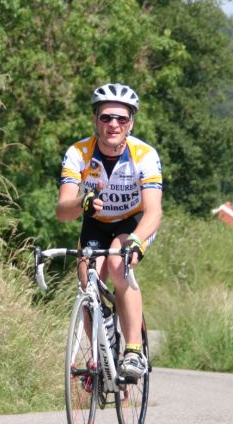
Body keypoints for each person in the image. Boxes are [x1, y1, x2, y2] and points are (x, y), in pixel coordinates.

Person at [55, 82, 162, 379]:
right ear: (95, 120)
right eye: (106, 117)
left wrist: (138, 241)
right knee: (86, 282)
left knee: (118, 263)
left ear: (131, 123)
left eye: (121, 119)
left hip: (132, 222)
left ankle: (133, 350)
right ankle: (102, 356)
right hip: (95, 223)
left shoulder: (144, 154)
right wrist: (81, 203)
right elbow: (63, 211)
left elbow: (154, 210)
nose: (113, 124)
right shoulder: (78, 153)